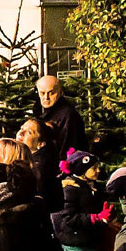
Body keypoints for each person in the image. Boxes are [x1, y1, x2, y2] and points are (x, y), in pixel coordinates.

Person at [33, 76, 85, 207]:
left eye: (51, 92)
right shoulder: (39, 111)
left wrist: (61, 175)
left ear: (60, 92)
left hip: (58, 176)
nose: (46, 97)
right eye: (42, 93)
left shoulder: (68, 116)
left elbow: (70, 149)